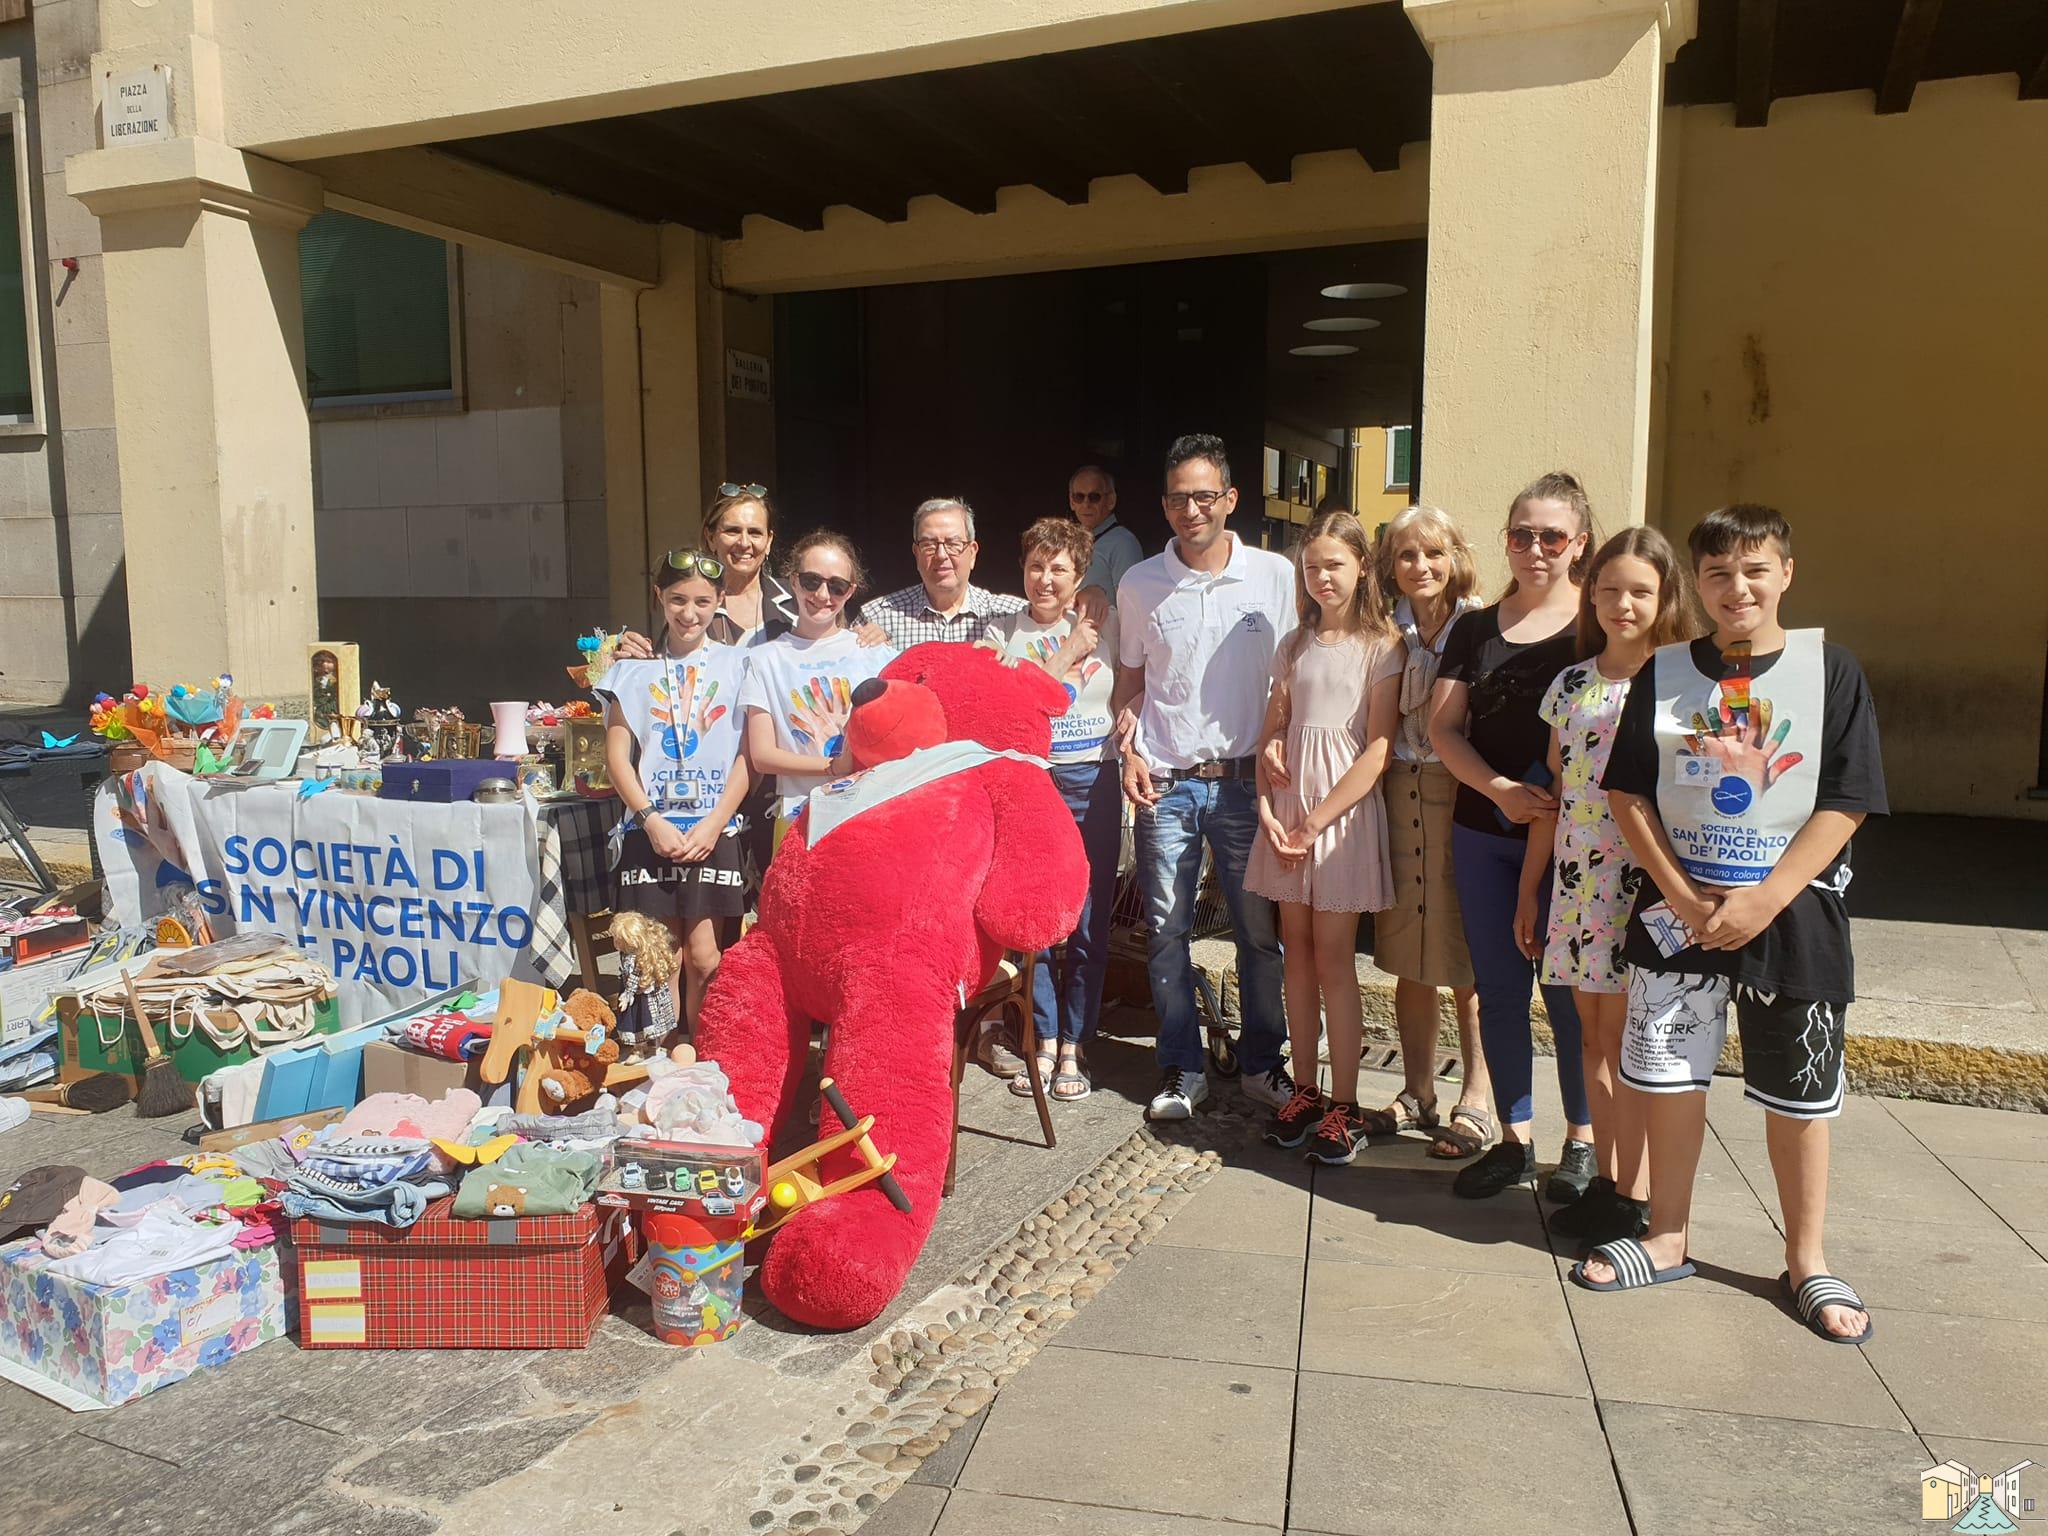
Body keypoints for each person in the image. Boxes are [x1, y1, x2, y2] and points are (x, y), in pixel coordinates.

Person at [1574, 504, 1885, 1347]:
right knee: (1667, 1076)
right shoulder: (1666, 672)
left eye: (1755, 569)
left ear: (1786, 572)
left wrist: (1767, 896)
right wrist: (1676, 893)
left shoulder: (1831, 672)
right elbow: (1627, 791)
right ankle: (1667, 1234)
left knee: (1799, 1093)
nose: (1736, 587)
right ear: (1697, 583)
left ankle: (1806, 1258)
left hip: (1791, 914)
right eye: (1717, 573)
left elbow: (1847, 799)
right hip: (1679, 915)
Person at [1514, 527, 1695, 1248]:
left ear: (1665, 597)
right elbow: (1557, 797)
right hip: (1576, 883)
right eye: (1611, 588)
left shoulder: (1682, 685)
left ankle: (1638, 1193)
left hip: (1641, 886)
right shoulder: (1571, 684)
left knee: (1628, 1045)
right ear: (1591, 593)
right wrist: (1531, 891)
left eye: (1641, 591)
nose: (1624, 603)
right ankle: (1611, 1184)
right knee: (1588, 1036)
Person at [1115, 432, 1298, 1122]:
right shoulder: (1140, 583)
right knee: (1165, 931)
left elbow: (1295, 674)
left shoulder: (1274, 576)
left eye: (1204, 496)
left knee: (1257, 933)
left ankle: (1260, 1064)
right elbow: (1131, 683)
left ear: (1230, 499)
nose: (1192, 510)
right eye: (1178, 499)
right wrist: (1128, 746)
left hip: (1249, 782)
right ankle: (1180, 1067)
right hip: (1165, 780)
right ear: (1164, 506)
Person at [1430, 471, 1595, 1201]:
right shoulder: (1474, 628)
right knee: (1498, 989)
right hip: (1482, 831)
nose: (1535, 547)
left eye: (1551, 535)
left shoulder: (1599, 624)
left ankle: (1582, 1142)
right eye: (1521, 533)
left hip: (1577, 843)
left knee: (1568, 994)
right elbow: (1442, 727)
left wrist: (1549, 804)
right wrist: (1496, 789)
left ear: (1579, 543)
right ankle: (1513, 1139)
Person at [1247, 511, 1403, 1165]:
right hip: (1289, 817)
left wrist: (1314, 823)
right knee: (1297, 957)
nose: (1321, 577)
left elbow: (1378, 751)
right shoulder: (1295, 643)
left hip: (1338, 819)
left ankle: (1344, 1100)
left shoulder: (1383, 645)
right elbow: (1272, 733)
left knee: (1336, 963)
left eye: (1334, 565)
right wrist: (1267, 805)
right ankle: (1305, 1088)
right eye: (1311, 567)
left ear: (1362, 566)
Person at [975, 518, 1121, 1101]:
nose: (1045, 579)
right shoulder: (997, 633)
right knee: (1031, 921)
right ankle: (1042, 1033)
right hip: (1031, 782)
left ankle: (1075, 1043)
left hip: (1095, 779)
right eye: (1036, 565)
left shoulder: (1103, 626)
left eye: (1059, 568)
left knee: (1089, 920)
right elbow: (1010, 702)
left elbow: (1130, 686)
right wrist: (1065, 651)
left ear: (1079, 575)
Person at [1368, 505, 1495, 1159]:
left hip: (1459, 796)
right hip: (1398, 792)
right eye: (1407, 555)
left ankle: (1477, 1098)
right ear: (1391, 566)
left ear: (1454, 557)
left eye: (1433, 553)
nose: (1421, 566)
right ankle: (1417, 1091)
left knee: (1464, 958)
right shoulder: (1388, 631)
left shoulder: (1480, 628)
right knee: (1406, 955)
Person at [594, 549, 754, 1030]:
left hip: (713, 829)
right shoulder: (629, 669)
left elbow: (749, 756)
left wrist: (716, 822)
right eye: (678, 599)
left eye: (703, 601)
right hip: (652, 830)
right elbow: (616, 758)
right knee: (657, 957)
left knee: (705, 956)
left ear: (720, 600)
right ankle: (655, 1059)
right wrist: (649, 818)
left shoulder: (742, 663)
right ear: (658, 596)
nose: (689, 613)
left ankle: (702, 1059)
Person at [738, 531, 896, 851]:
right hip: (797, 818)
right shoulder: (762, 659)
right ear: (794, 581)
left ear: (850, 591)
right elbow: (762, 755)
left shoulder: (877, 653)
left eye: (837, 586)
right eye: (812, 581)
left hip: (866, 813)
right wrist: (832, 767)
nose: (823, 594)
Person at [861, 498, 1027, 647]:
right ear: (916, 553)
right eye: (929, 544)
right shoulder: (877, 617)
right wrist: (864, 644)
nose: (941, 555)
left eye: (953, 544)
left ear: (972, 553)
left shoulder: (1012, 616)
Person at [701, 484, 799, 645]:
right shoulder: (693, 602)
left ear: (768, 541)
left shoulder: (799, 598)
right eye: (732, 531)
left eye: (755, 533)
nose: (744, 543)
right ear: (711, 538)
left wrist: (855, 637)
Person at [1068, 465, 1143, 601]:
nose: (1086, 504)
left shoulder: (1123, 543)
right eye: (1079, 497)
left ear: (1111, 501)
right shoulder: (1067, 542)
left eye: (1094, 497)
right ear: (1071, 502)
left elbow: (1132, 604)